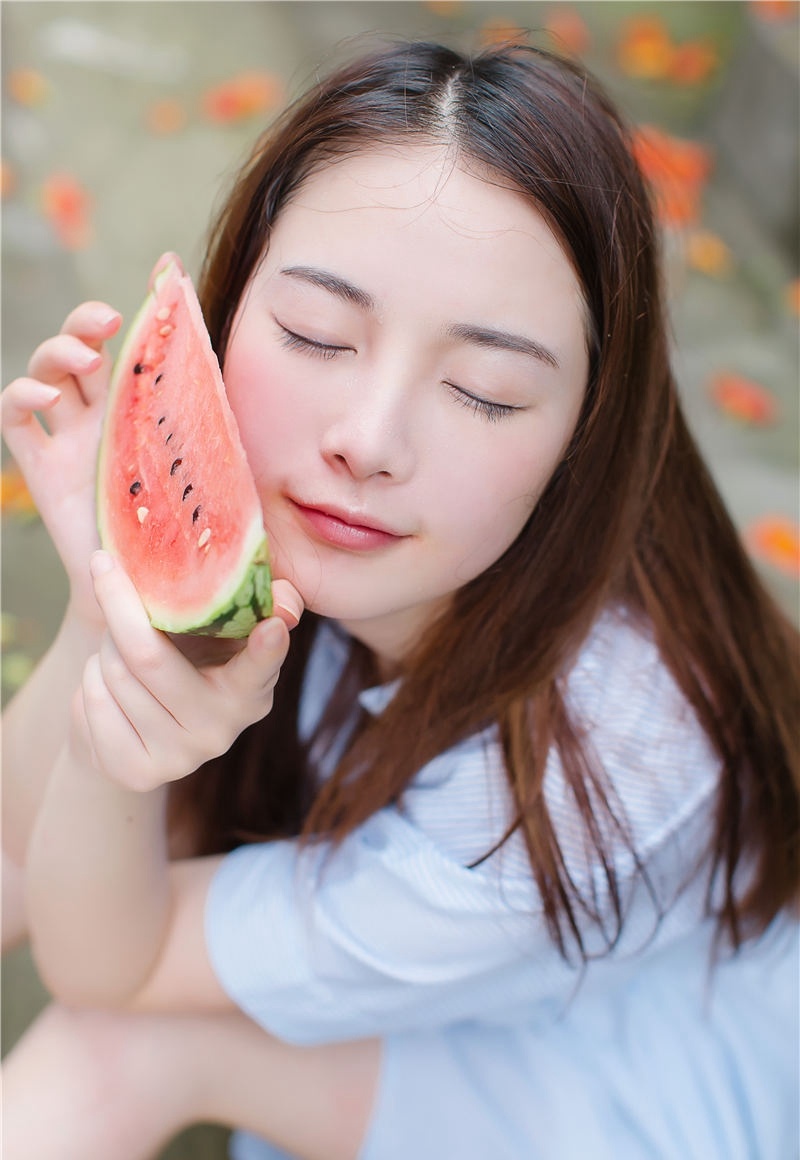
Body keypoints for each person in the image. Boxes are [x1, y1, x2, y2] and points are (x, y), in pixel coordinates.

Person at [2, 39, 798, 1160]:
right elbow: (19, 834)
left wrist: (109, 750)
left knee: (118, 1038)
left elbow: (108, 963)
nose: (365, 443)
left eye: (484, 392)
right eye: (315, 335)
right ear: (231, 306)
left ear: (584, 435)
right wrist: (109, 589)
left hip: (611, 1083)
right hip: (457, 939)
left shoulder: (574, 784)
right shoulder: (370, 544)